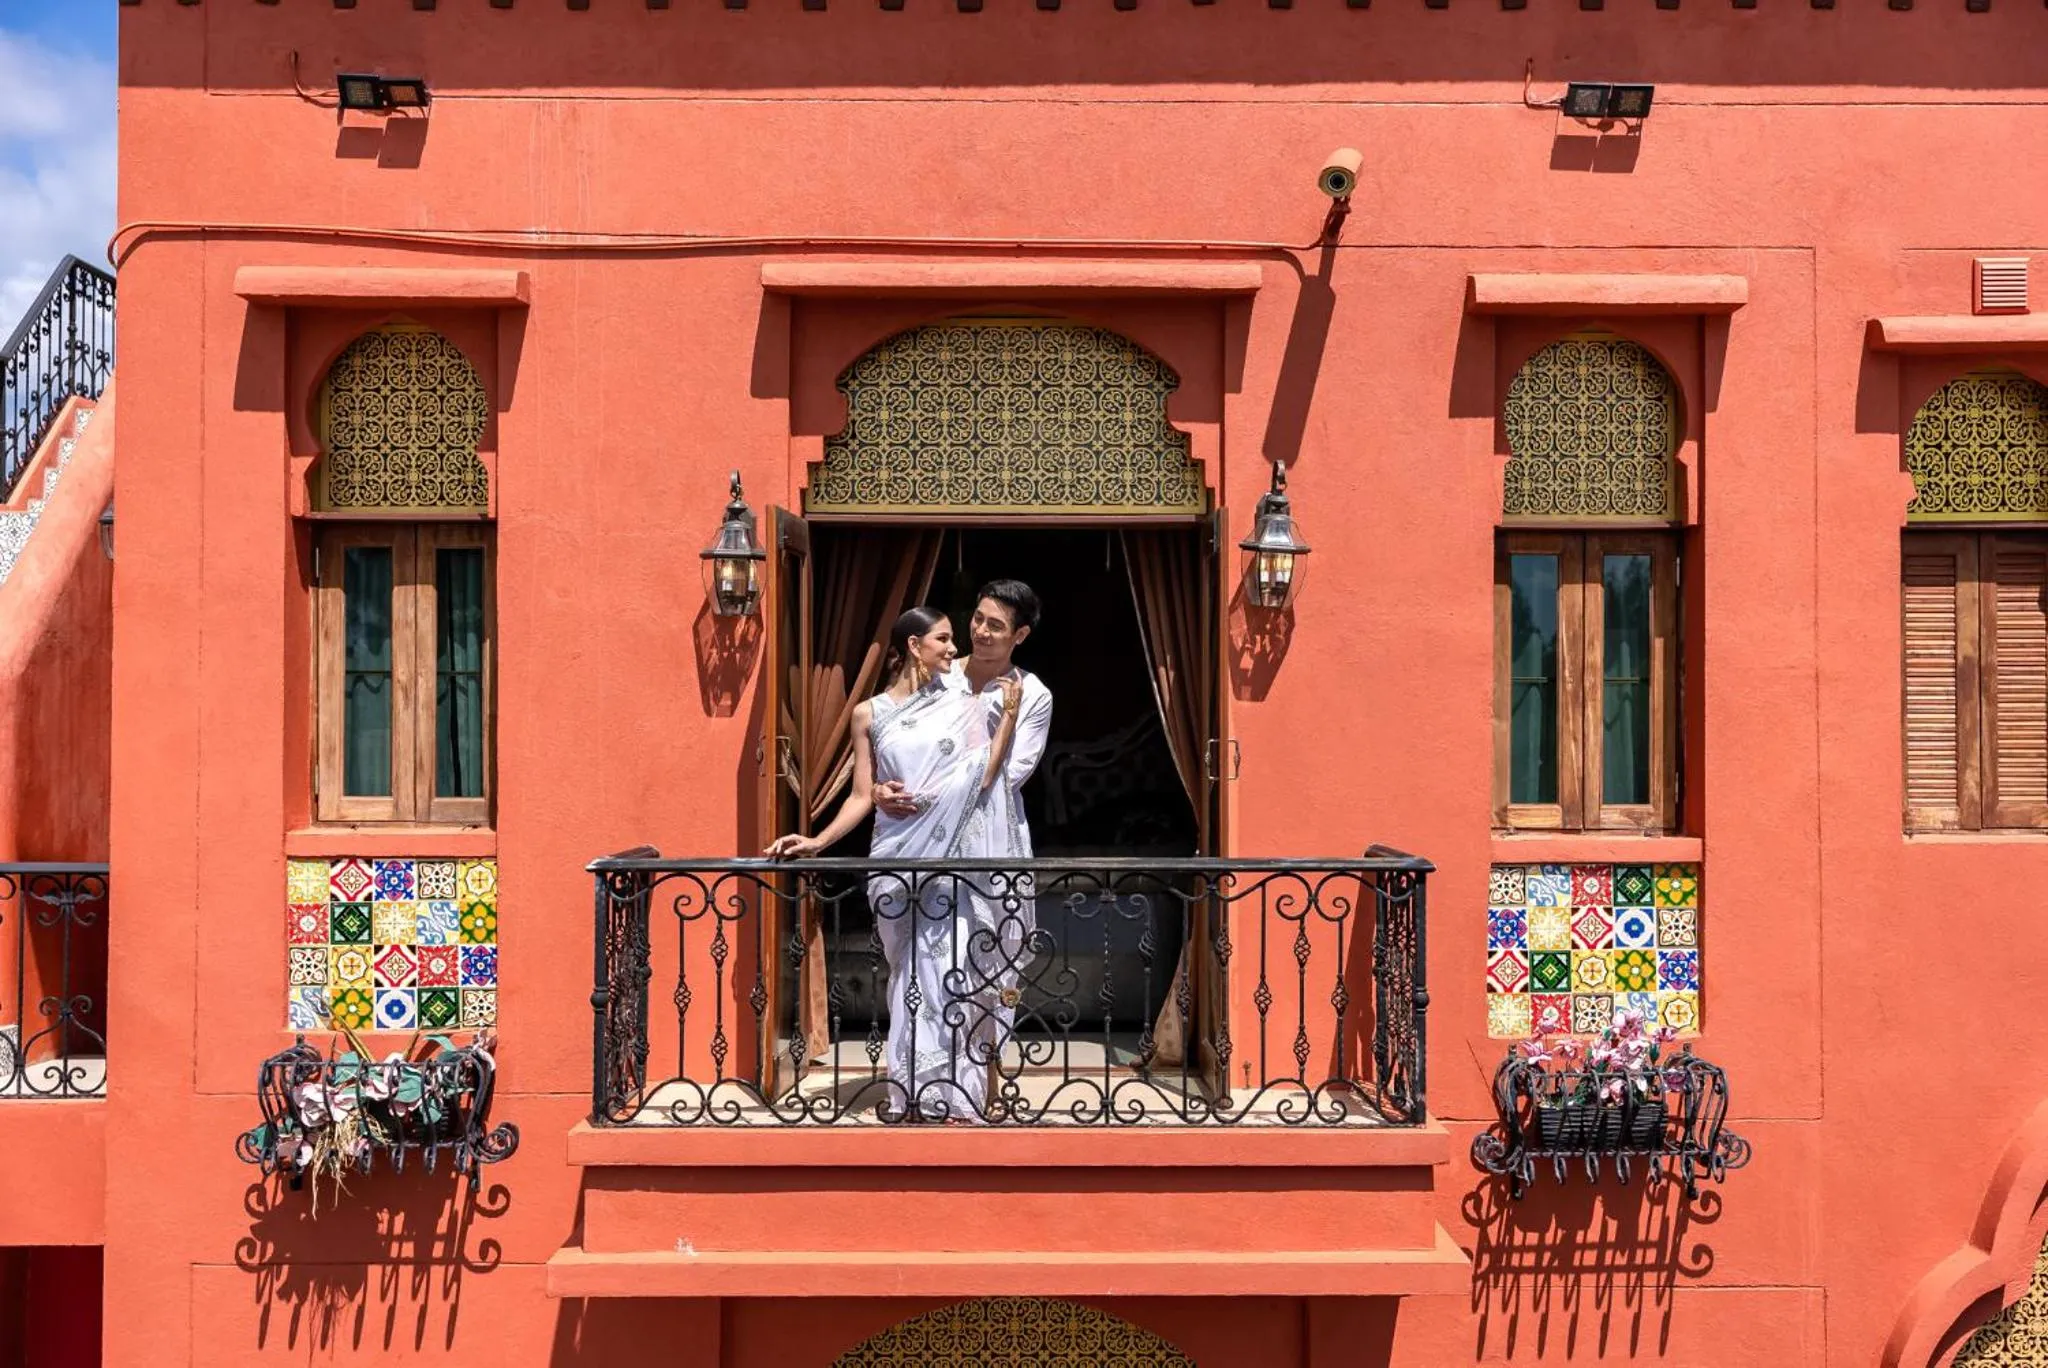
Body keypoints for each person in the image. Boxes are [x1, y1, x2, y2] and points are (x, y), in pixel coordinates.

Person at [765, 606, 1024, 1122]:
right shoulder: (869, 713)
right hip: (895, 856)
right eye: (944, 640)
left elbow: (984, 774)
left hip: (952, 861)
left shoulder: (962, 701)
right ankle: (909, 1091)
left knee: (948, 972)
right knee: (909, 975)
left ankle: (955, 1097)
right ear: (914, 646)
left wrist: (1011, 717)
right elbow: (862, 795)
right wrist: (818, 840)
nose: (956, 649)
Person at [872, 581, 1055, 1114]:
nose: (980, 631)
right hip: (921, 845)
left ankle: (985, 1087)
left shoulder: (1032, 694)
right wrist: (881, 788)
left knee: (989, 964)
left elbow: (1013, 772)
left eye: (996, 625)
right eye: (977, 618)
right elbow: (897, 739)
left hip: (991, 844)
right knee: (924, 965)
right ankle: (918, 1087)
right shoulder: (939, 674)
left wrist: (996, 730)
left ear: (1020, 634)